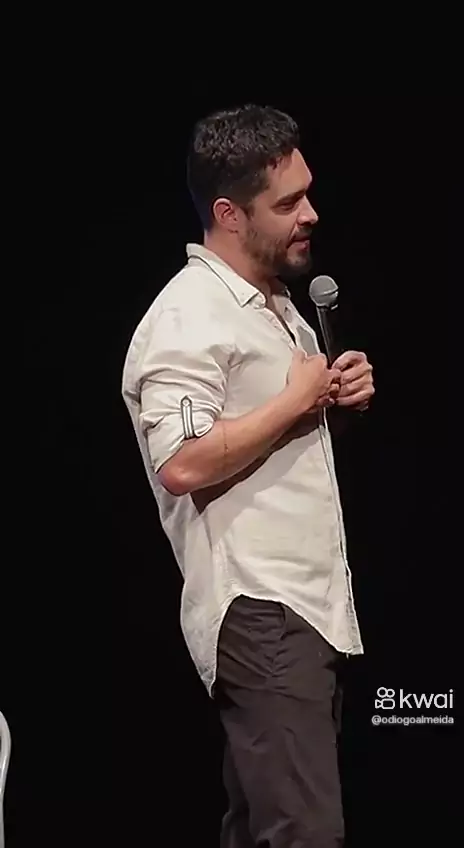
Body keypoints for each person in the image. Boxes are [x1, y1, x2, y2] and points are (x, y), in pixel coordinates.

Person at [121, 104, 375, 847]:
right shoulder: (189, 314)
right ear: (229, 214)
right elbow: (182, 462)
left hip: (304, 608)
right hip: (260, 607)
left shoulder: (277, 310)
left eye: (308, 193)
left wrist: (333, 405)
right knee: (304, 834)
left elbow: (272, 442)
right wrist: (296, 400)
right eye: (288, 203)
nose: (310, 214)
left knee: (265, 829)